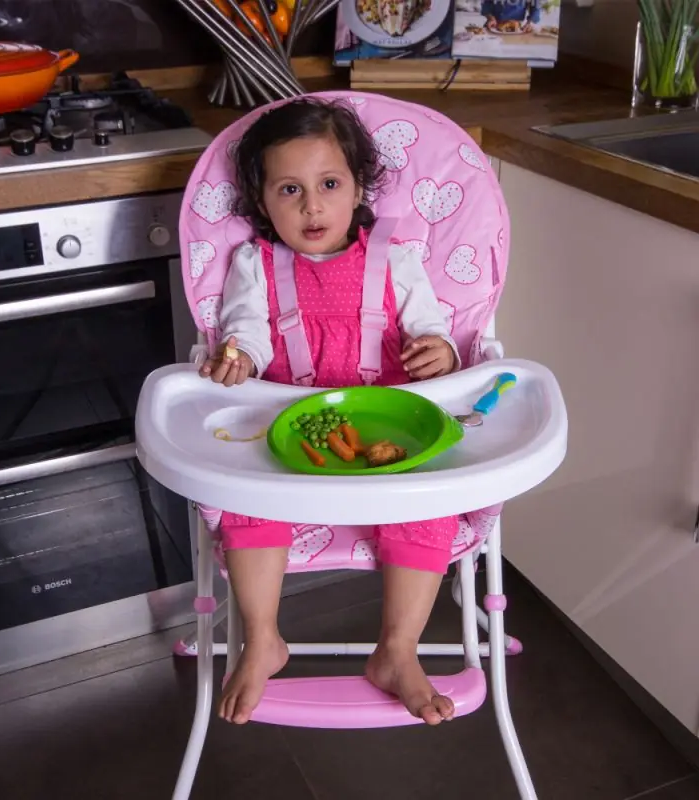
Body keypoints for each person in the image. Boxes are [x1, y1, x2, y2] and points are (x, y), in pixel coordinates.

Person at [200, 98, 461, 727]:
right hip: (293, 433)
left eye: (329, 185)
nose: (312, 206)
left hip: (390, 431)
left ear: (358, 188)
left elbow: (433, 325)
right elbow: (249, 332)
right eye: (289, 189)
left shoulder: (394, 256)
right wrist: (237, 355)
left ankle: (397, 650)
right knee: (244, 493)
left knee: (431, 499)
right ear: (262, 202)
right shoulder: (255, 264)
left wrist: (440, 352)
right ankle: (263, 635)